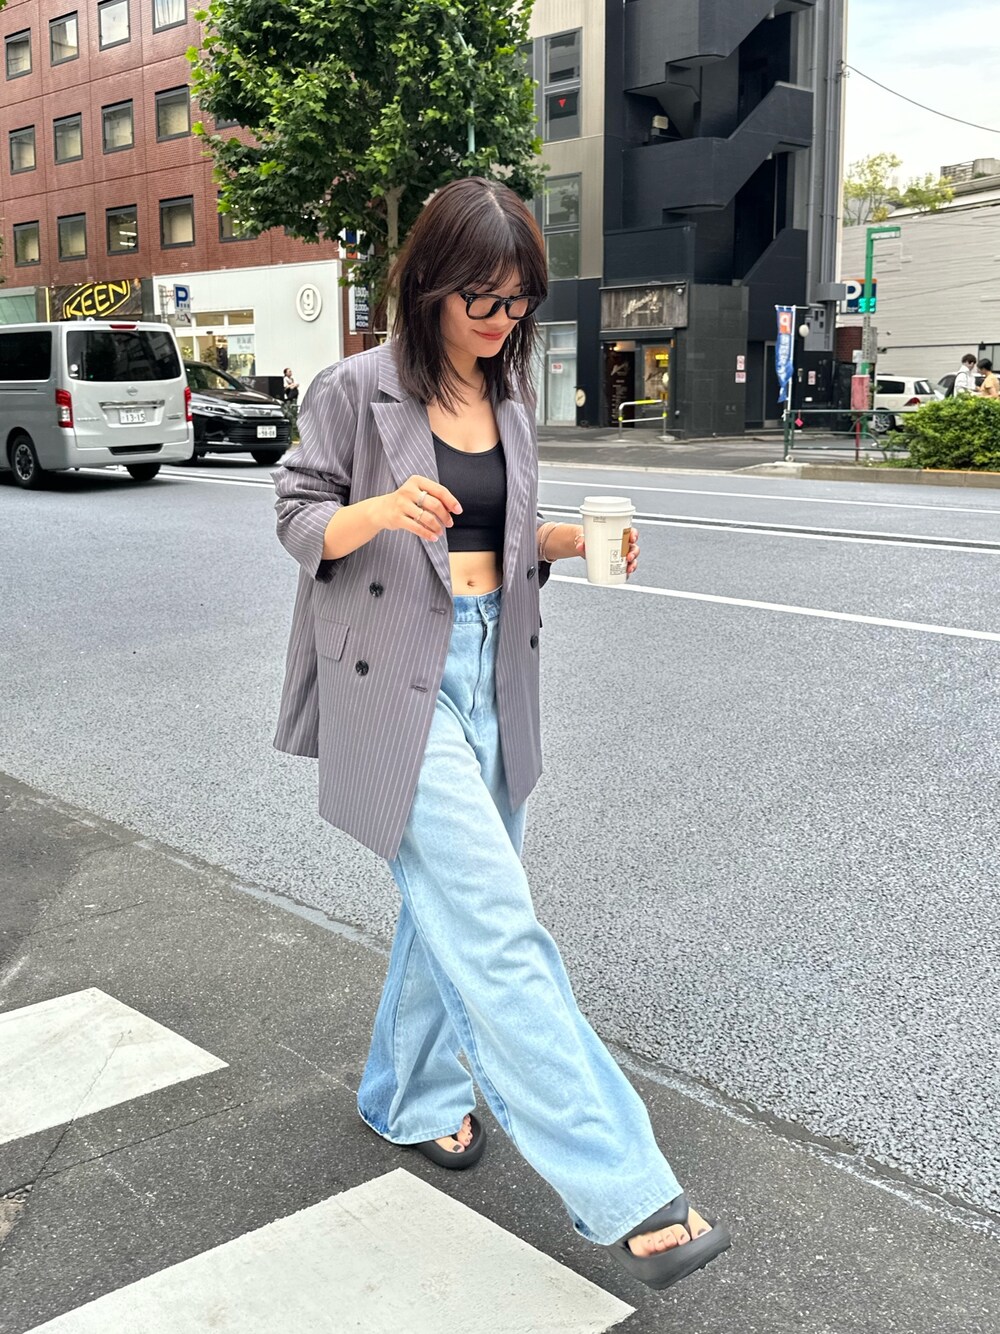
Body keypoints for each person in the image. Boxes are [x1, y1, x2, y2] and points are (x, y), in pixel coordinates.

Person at [271, 177, 731, 1293]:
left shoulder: (509, 397)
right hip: (394, 680)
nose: (499, 318)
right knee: (495, 923)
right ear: (429, 281)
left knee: (453, 906)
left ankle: (404, 1095)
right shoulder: (356, 388)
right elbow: (295, 514)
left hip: (495, 665)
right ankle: (625, 1185)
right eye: (480, 296)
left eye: (518, 299)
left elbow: (503, 539)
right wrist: (377, 511)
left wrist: (565, 541)